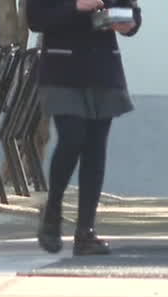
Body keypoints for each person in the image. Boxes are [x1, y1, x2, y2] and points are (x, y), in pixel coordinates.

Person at [28, 0, 142, 256]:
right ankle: (53, 211)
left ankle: (85, 231)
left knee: (95, 148)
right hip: (62, 69)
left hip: (103, 67)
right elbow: (35, 18)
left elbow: (133, 13)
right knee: (72, 138)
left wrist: (128, 23)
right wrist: (75, 6)